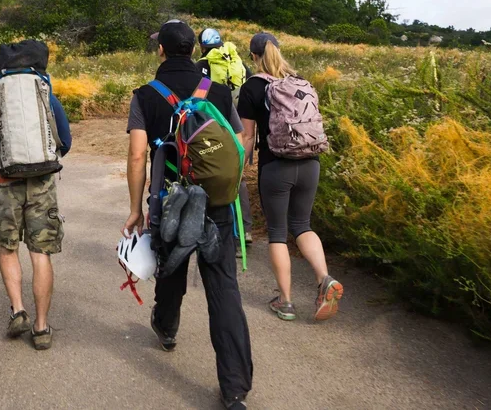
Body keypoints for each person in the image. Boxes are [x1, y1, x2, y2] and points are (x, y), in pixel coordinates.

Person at [125, 20, 254, 410]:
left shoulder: (145, 95)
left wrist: (136, 209)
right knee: (223, 288)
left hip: (170, 200)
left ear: (161, 51)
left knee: (171, 267)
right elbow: (237, 143)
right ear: (193, 51)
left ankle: (166, 327)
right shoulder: (216, 91)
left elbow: (136, 155)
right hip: (216, 202)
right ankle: (234, 389)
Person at [0, 40, 73, 351]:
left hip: (5, 182)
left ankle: (18, 310)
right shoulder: (45, 95)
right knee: (40, 253)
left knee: (8, 247)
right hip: (42, 182)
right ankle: (41, 328)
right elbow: (64, 140)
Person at [236, 32, 343, 322]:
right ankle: (324, 279)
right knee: (302, 225)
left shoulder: (252, 88)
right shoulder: (300, 81)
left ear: (254, 57)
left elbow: (247, 136)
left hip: (276, 166)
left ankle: (285, 302)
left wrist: (239, 169)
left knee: (278, 233)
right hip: (310, 162)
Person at [195, 27, 254, 254]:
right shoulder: (238, 64)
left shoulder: (202, 66)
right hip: (238, 127)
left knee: (212, 176)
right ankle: (245, 229)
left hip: (213, 130)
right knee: (237, 177)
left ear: (202, 46)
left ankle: (216, 233)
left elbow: (197, 99)